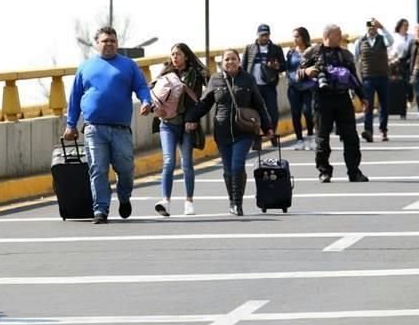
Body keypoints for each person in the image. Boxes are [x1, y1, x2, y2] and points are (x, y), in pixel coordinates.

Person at [63, 27, 153, 224]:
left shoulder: (128, 65)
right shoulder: (85, 67)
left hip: (120, 128)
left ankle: (124, 197)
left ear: (117, 43)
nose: (109, 44)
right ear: (97, 43)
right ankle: (100, 210)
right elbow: (75, 97)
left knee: (126, 169)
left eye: (112, 40)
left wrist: (146, 101)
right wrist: (71, 125)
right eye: (105, 41)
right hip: (94, 128)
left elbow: (141, 87)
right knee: (98, 169)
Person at [185, 49, 273, 216]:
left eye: (233, 59)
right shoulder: (215, 80)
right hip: (222, 132)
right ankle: (232, 201)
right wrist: (191, 118)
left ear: (239, 61)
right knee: (227, 169)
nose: (230, 62)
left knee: (236, 165)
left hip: (244, 131)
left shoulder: (248, 79)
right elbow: (204, 103)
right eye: (227, 59)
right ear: (222, 63)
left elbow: (259, 104)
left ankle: (237, 204)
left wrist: (267, 127)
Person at [301, 24, 370, 184]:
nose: (340, 38)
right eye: (338, 35)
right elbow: (296, 75)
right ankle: (324, 171)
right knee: (322, 139)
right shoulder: (312, 52)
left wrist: (363, 97)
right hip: (321, 100)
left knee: (351, 138)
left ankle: (354, 171)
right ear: (328, 36)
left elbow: (354, 77)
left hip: (342, 99)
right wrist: (307, 72)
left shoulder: (345, 54)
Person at [152, 43, 208, 217]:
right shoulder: (165, 73)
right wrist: (150, 106)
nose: (175, 57)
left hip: (187, 124)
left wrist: (194, 119)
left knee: (186, 164)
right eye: (173, 54)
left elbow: (206, 96)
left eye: (178, 54)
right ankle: (165, 202)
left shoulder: (196, 74)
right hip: (167, 124)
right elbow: (152, 90)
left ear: (186, 56)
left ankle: (189, 201)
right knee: (168, 162)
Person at [353, 17, 393, 142]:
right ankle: (368, 131)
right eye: (369, 25)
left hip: (382, 77)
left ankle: (383, 130)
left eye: (374, 26)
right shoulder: (360, 41)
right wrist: (357, 78)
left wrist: (382, 27)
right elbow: (355, 59)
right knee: (368, 106)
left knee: (384, 105)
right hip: (367, 78)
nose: (371, 28)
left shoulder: (382, 39)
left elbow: (391, 41)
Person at [242, 24, 285, 137]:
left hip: (269, 85)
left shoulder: (276, 49)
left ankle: (271, 134)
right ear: (257, 35)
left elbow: (283, 66)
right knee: (253, 115)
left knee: (273, 114)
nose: (265, 38)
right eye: (262, 35)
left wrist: (277, 66)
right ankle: (256, 138)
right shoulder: (249, 48)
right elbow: (242, 67)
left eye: (267, 35)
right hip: (253, 87)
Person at [285, 26, 316, 150]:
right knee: (295, 113)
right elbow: (287, 68)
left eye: (297, 36)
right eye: (294, 37)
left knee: (308, 111)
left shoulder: (311, 51)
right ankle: (299, 139)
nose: (295, 39)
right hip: (294, 87)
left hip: (308, 87)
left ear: (303, 37)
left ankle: (310, 136)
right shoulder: (291, 52)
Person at [389, 18, 413, 118]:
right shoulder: (394, 37)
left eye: (407, 25)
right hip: (397, 63)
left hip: (409, 63)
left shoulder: (411, 37)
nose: (406, 27)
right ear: (399, 26)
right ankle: (402, 111)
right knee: (400, 87)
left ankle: (410, 98)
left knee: (409, 84)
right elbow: (390, 50)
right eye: (404, 25)